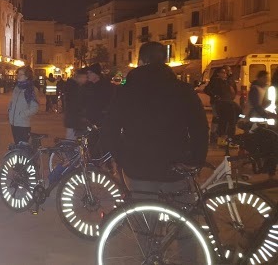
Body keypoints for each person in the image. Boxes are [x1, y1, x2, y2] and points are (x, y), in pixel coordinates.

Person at [102, 42, 208, 263]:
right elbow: (199, 127)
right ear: (164, 61)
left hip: (139, 167)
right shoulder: (181, 89)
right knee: (184, 224)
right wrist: (196, 160)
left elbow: (111, 129)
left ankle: (151, 258)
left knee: (145, 226)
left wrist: (122, 159)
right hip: (176, 166)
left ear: (141, 61)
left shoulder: (126, 90)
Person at [205, 67, 238, 147]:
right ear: (218, 73)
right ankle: (216, 136)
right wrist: (215, 96)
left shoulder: (226, 81)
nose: (225, 74)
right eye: (223, 72)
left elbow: (232, 90)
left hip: (227, 103)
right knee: (219, 119)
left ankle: (221, 137)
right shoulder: (216, 81)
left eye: (226, 72)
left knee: (224, 120)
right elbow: (207, 90)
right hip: (219, 103)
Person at [8, 66, 39, 144]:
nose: (18, 76)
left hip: (23, 124)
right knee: (17, 146)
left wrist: (22, 114)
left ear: (27, 76)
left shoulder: (31, 90)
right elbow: (12, 101)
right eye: (18, 74)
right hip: (13, 122)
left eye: (21, 74)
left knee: (23, 148)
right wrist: (10, 110)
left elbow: (35, 108)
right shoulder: (17, 88)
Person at [63, 68, 89, 139]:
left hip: (74, 119)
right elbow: (75, 104)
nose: (86, 79)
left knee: (72, 138)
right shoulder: (73, 87)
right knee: (71, 139)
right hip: (74, 119)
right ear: (80, 77)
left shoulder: (75, 86)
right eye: (85, 77)